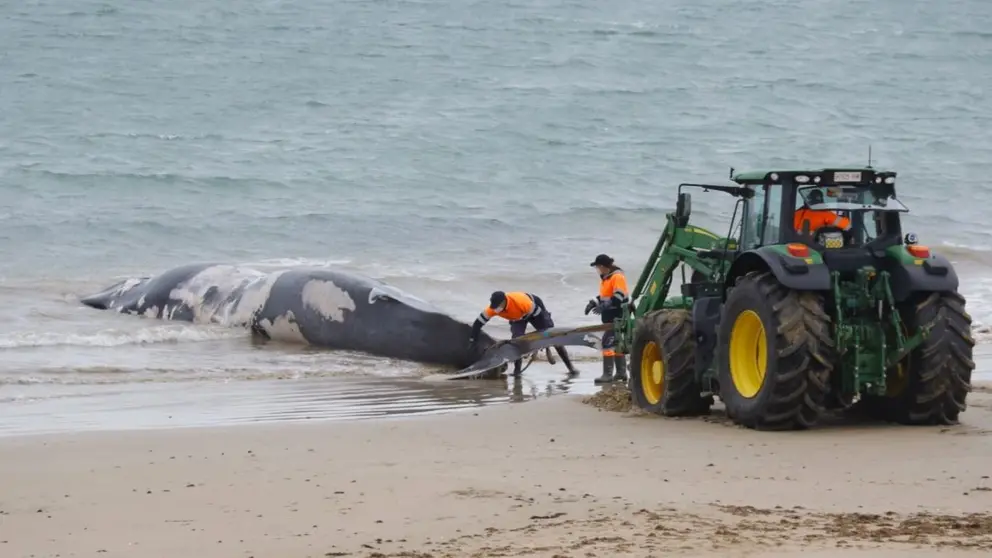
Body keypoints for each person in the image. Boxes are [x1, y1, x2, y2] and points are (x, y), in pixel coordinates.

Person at [469, 290, 579, 376]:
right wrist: (472, 340)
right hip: (517, 317)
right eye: (494, 307)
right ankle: (517, 371)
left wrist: (543, 336)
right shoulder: (493, 308)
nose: (495, 310)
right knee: (517, 341)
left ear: (504, 302)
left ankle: (570, 368)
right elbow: (478, 323)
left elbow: (540, 318)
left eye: (497, 307)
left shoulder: (522, 302)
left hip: (534, 309)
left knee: (553, 338)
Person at [584, 254, 629, 384]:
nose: (597, 270)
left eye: (598, 267)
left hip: (617, 315)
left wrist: (604, 306)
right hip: (609, 317)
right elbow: (604, 296)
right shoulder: (606, 279)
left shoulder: (617, 277)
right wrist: (592, 303)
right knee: (616, 344)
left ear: (603, 266)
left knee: (607, 344)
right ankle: (621, 373)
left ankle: (607, 375)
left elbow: (619, 296)